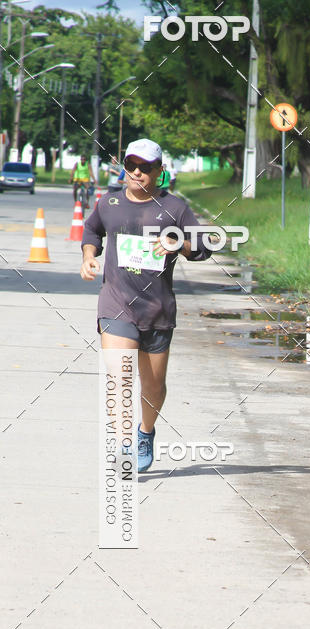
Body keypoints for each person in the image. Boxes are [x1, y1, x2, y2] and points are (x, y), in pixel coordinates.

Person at [80, 138, 212, 473]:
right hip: (116, 304)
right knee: (120, 378)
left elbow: (203, 247)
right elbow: (92, 230)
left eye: (145, 167)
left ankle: (145, 432)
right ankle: (124, 444)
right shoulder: (108, 203)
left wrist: (177, 243)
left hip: (157, 310)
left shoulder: (175, 208)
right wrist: (88, 256)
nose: (137, 172)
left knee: (153, 386)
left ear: (159, 171)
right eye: (131, 165)